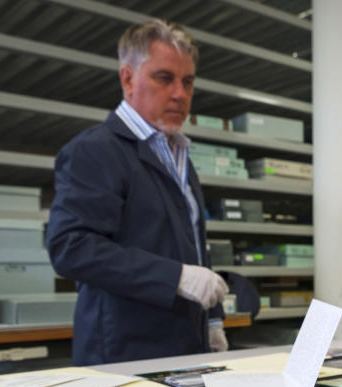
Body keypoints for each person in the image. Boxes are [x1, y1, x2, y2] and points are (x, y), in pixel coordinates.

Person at [47, 19, 229, 365]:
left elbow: (192, 246)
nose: (179, 94)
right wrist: (175, 277)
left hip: (186, 350)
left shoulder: (180, 156)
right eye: (164, 78)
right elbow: (71, 247)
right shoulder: (95, 151)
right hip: (124, 355)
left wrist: (214, 318)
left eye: (187, 82)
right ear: (127, 79)